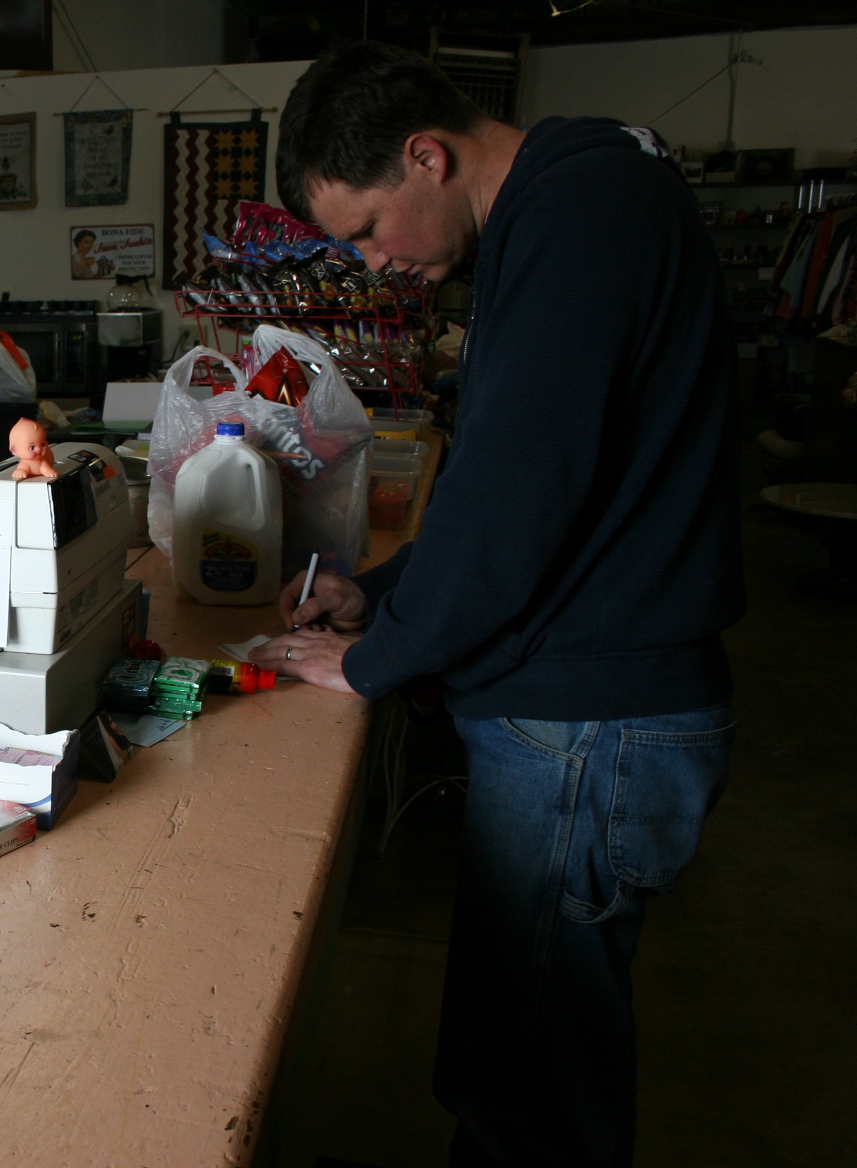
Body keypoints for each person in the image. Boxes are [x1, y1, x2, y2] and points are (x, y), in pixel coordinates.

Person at [251, 43, 743, 1168]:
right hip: (589, 712)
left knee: (535, 1087)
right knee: (519, 1061)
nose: (380, 263)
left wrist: (372, 662)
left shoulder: (581, 217)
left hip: (590, 727)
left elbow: (525, 491)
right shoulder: (579, 199)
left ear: (428, 155)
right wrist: (374, 594)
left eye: (371, 228)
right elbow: (501, 483)